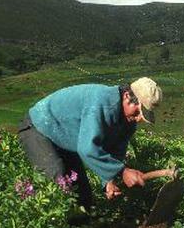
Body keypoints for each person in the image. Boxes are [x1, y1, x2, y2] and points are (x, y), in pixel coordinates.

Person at [18, 77, 163, 209]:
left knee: (83, 196)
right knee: (58, 184)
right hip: (39, 127)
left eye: (142, 116)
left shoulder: (128, 122)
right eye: (137, 112)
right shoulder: (102, 104)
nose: (138, 119)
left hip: (66, 138)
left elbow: (116, 151)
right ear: (127, 96)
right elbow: (88, 149)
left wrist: (108, 180)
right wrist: (123, 171)